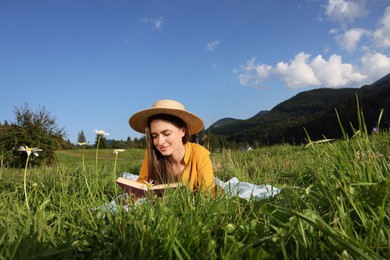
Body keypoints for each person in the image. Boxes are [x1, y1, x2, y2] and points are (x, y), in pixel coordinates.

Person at [129, 99, 216, 196]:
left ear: (182, 131)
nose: (160, 142)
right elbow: (141, 185)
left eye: (166, 134)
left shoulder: (199, 154)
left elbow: (209, 195)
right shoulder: (151, 153)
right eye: (154, 136)